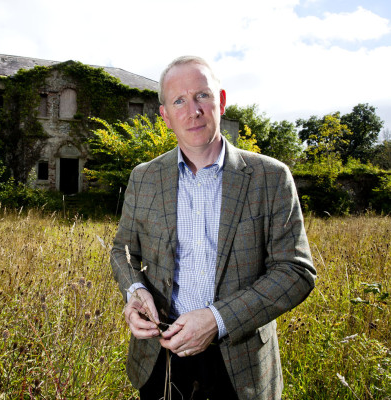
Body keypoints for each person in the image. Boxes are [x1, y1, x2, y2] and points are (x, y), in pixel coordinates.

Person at [110, 56, 316, 400]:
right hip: (160, 356)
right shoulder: (143, 177)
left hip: (240, 363)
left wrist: (216, 319)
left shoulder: (271, 177)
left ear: (220, 101)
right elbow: (122, 250)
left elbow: (296, 271)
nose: (193, 111)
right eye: (179, 101)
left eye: (202, 96)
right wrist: (134, 291)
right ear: (165, 116)